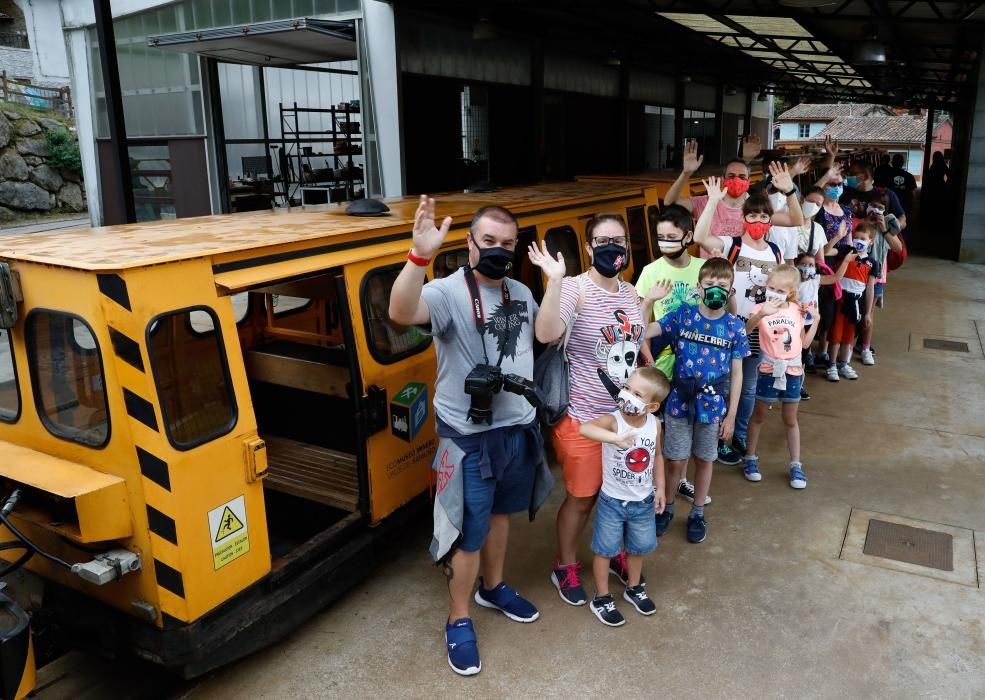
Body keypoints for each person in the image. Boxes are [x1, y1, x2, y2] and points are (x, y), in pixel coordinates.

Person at [389, 195, 546, 676]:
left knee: (501, 516)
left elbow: (540, 336)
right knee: (466, 532)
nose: (499, 250)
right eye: (489, 241)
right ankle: (458, 619)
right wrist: (419, 255)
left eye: (508, 243)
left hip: (517, 426)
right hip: (468, 436)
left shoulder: (520, 291)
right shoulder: (446, 291)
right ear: (470, 244)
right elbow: (401, 311)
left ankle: (493, 587)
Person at [529, 214, 646, 607]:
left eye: (619, 239)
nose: (612, 247)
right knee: (582, 499)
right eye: (602, 240)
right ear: (589, 247)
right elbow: (545, 334)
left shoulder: (629, 292)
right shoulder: (573, 289)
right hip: (581, 418)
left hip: (623, 420)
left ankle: (610, 550)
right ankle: (564, 565)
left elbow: (635, 340)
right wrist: (554, 280)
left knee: (617, 495)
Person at [644, 257, 749, 543]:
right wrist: (648, 302)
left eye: (722, 286)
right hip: (680, 399)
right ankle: (667, 507)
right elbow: (644, 331)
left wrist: (731, 416)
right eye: (710, 284)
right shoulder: (683, 316)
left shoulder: (734, 327)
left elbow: (737, 375)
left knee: (705, 458)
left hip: (714, 405)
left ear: (731, 291)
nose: (716, 290)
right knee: (675, 459)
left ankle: (698, 512)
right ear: (698, 287)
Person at [691, 175, 794, 468]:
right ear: (744, 218)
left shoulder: (775, 251)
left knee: (747, 388)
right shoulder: (730, 244)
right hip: (729, 326)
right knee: (722, 386)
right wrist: (712, 201)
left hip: (759, 329)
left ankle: (736, 435)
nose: (758, 220)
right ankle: (718, 439)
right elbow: (699, 237)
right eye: (752, 215)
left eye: (764, 216)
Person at [578, 366, 670, 626]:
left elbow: (658, 456)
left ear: (652, 407)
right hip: (612, 501)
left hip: (642, 501)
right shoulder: (614, 419)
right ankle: (602, 597)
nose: (627, 395)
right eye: (627, 388)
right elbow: (585, 429)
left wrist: (660, 488)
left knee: (637, 548)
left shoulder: (655, 425)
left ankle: (633, 587)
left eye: (637, 393)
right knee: (604, 551)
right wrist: (614, 438)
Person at [635, 205, 708, 507]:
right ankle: (656, 485)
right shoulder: (650, 271)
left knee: (687, 424)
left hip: (697, 361)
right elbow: (639, 321)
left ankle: (682, 481)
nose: (665, 243)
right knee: (659, 426)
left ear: (688, 236)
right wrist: (646, 354)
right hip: (661, 362)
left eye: (672, 237)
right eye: (660, 237)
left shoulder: (704, 268)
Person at [741, 264, 813, 488]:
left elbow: (804, 343)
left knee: (790, 419)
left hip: (792, 370)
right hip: (768, 369)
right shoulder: (759, 308)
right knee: (759, 415)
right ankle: (750, 458)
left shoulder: (796, 309)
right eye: (771, 287)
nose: (774, 293)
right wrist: (761, 313)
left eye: (780, 290)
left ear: (790, 292)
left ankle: (796, 464)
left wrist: (815, 319)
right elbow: (746, 331)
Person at [663, 136, 804, 242]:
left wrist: (790, 191)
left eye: (742, 177)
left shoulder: (757, 208)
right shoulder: (707, 202)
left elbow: (795, 220)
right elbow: (669, 202)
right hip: (711, 278)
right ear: (723, 180)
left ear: (748, 182)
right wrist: (686, 173)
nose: (736, 179)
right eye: (731, 176)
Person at [825, 222, 881, 383]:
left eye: (863, 238)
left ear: (871, 241)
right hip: (839, 299)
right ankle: (832, 365)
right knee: (835, 334)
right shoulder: (844, 251)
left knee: (848, 336)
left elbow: (870, 289)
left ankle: (844, 364)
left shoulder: (872, 263)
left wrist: (868, 312)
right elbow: (826, 251)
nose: (858, 241)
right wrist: (838, 237)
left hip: (856, 303)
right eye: (856, 237)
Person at [858, 193, 903, 364]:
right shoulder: (859, 224)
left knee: (868, 313)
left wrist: (884, 229)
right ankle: (849, 344)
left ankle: (865, 347)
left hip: (876, 278)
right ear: (867, 205)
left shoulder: (887, 228)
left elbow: (897, 248)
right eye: (873, 205)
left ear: (886, 211)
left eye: (881, 208)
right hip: (856, 275)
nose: (875, 210)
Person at [839, 162, 907, 232]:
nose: (848, 177)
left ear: (864, 177)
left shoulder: (886, 194)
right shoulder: (845, 192)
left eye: (852, 174)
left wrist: (886, 230)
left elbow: (902, 218)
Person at [887, 154, 917, 219]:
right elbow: (914, 194)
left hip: (890, 208)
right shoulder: (909, 176)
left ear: (892, 163)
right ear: (903, 163)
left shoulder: (886, 176)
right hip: (904, 208)